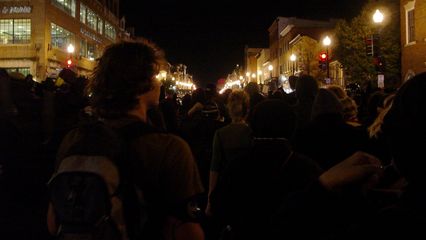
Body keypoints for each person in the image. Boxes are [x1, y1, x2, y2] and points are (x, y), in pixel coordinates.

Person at [47, 40, 205, 240]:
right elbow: (188, 232)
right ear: (141, 83)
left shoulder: (74, 139)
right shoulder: (169, 148)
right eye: (155, 76)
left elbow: (53, 222)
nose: (159, 83)